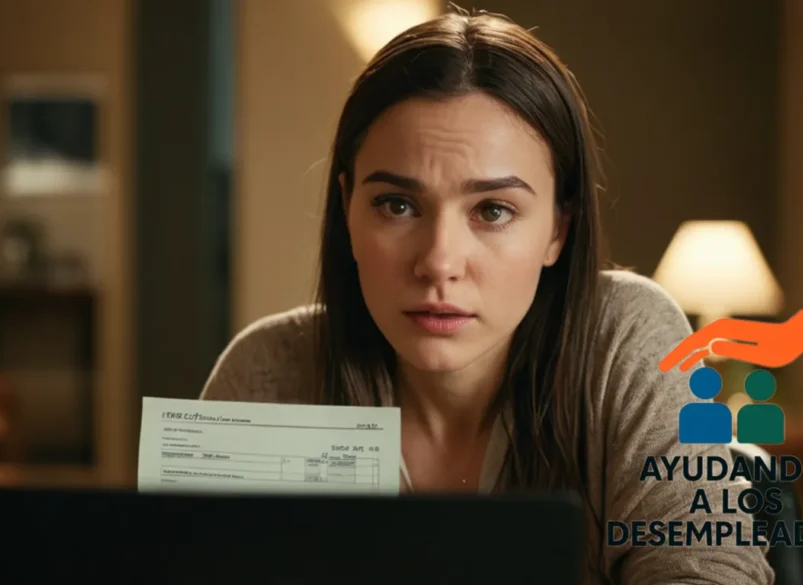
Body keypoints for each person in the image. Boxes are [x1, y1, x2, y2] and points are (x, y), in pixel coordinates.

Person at [201, 9, 774, 585]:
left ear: (558, 228)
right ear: (348, 209)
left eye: (493, 210)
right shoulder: (267, 377)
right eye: (397, 205)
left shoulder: (627, 341)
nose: (439, 261)